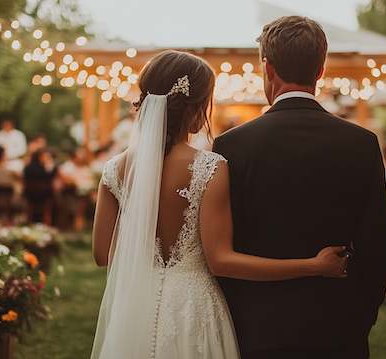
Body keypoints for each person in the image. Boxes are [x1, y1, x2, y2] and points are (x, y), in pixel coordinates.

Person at [90, 50, 349, 359]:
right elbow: (222, 261)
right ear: (198, 105)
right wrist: (313, 266)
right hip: (193, 308)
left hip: (135, 307)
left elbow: (102, 254)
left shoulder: (114, 170)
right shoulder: (208, 168)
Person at [213, 16, 386, 358]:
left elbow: (225, 244)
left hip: (257, 327)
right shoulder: (362, 143)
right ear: (321, 70)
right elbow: (376, 244)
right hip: (339, 326)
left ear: (267, 68)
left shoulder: (231, 146)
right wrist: (362, 317)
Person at [23, 149, 56, 224]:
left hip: (32, 195)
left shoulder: (28, 167)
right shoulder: (44, 169)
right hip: (40, 195)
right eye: (46, 157)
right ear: (40, 157)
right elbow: (49, 177)